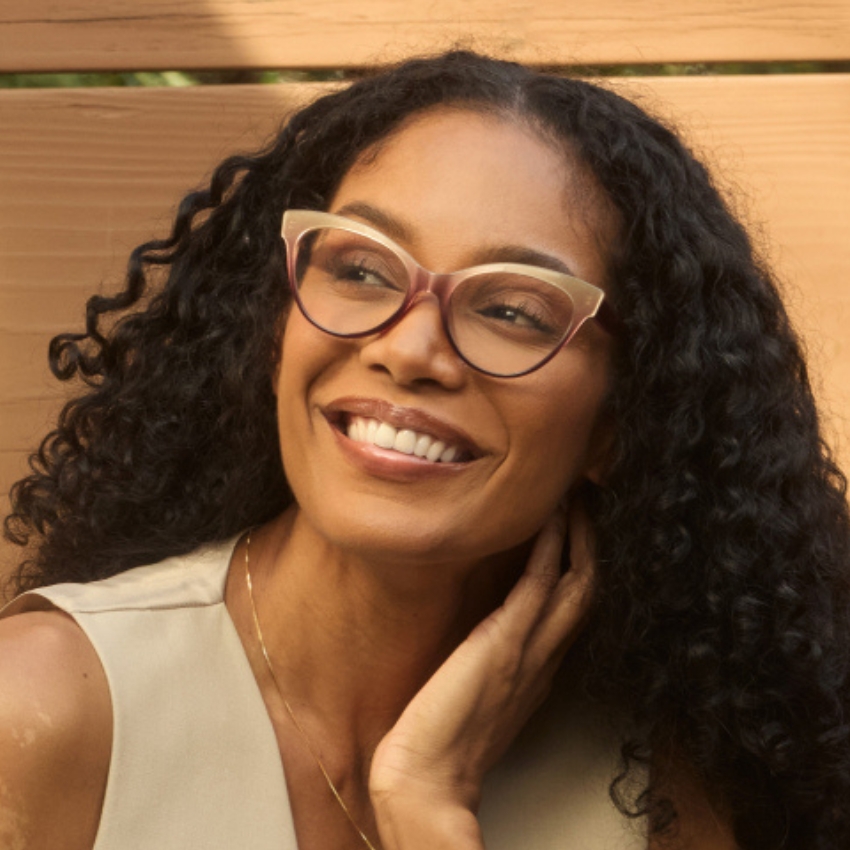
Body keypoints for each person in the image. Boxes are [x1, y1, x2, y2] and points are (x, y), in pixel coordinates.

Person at [1, 50, 848, 850]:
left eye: (514, 310)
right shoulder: (40, 710)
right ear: (272, 331)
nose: (408, 350)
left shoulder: (664, 775)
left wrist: (425, 808)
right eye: (362, 270)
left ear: (623, 421)